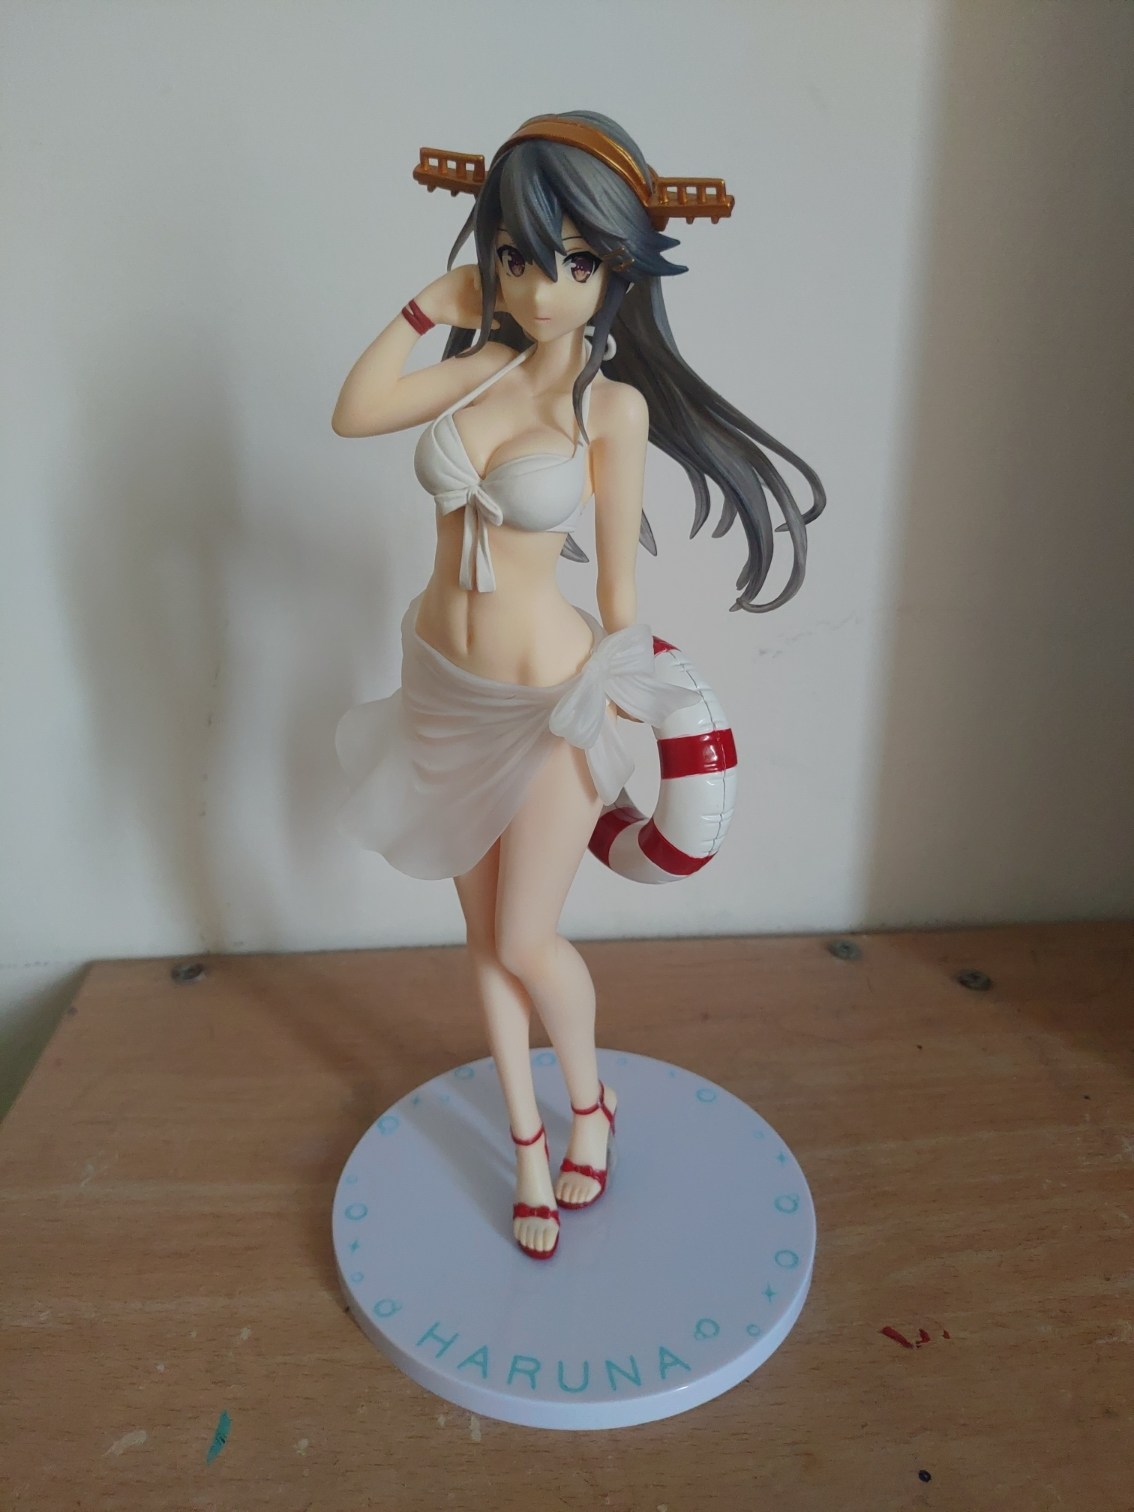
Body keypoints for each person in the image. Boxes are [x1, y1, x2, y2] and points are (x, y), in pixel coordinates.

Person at [331, 111, 824, 1261]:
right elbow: (354, 411)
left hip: (546, 703)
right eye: (517, 257)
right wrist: (431, 306)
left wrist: (625, 697)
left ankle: (589, 1101)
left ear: (616, 271)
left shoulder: (610, 410)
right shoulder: (474, 372)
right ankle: (527, 1147)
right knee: (479, 940)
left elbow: (615, 592)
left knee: (524, 939)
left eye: (577, 262)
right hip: (440, 688)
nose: (542, 290)